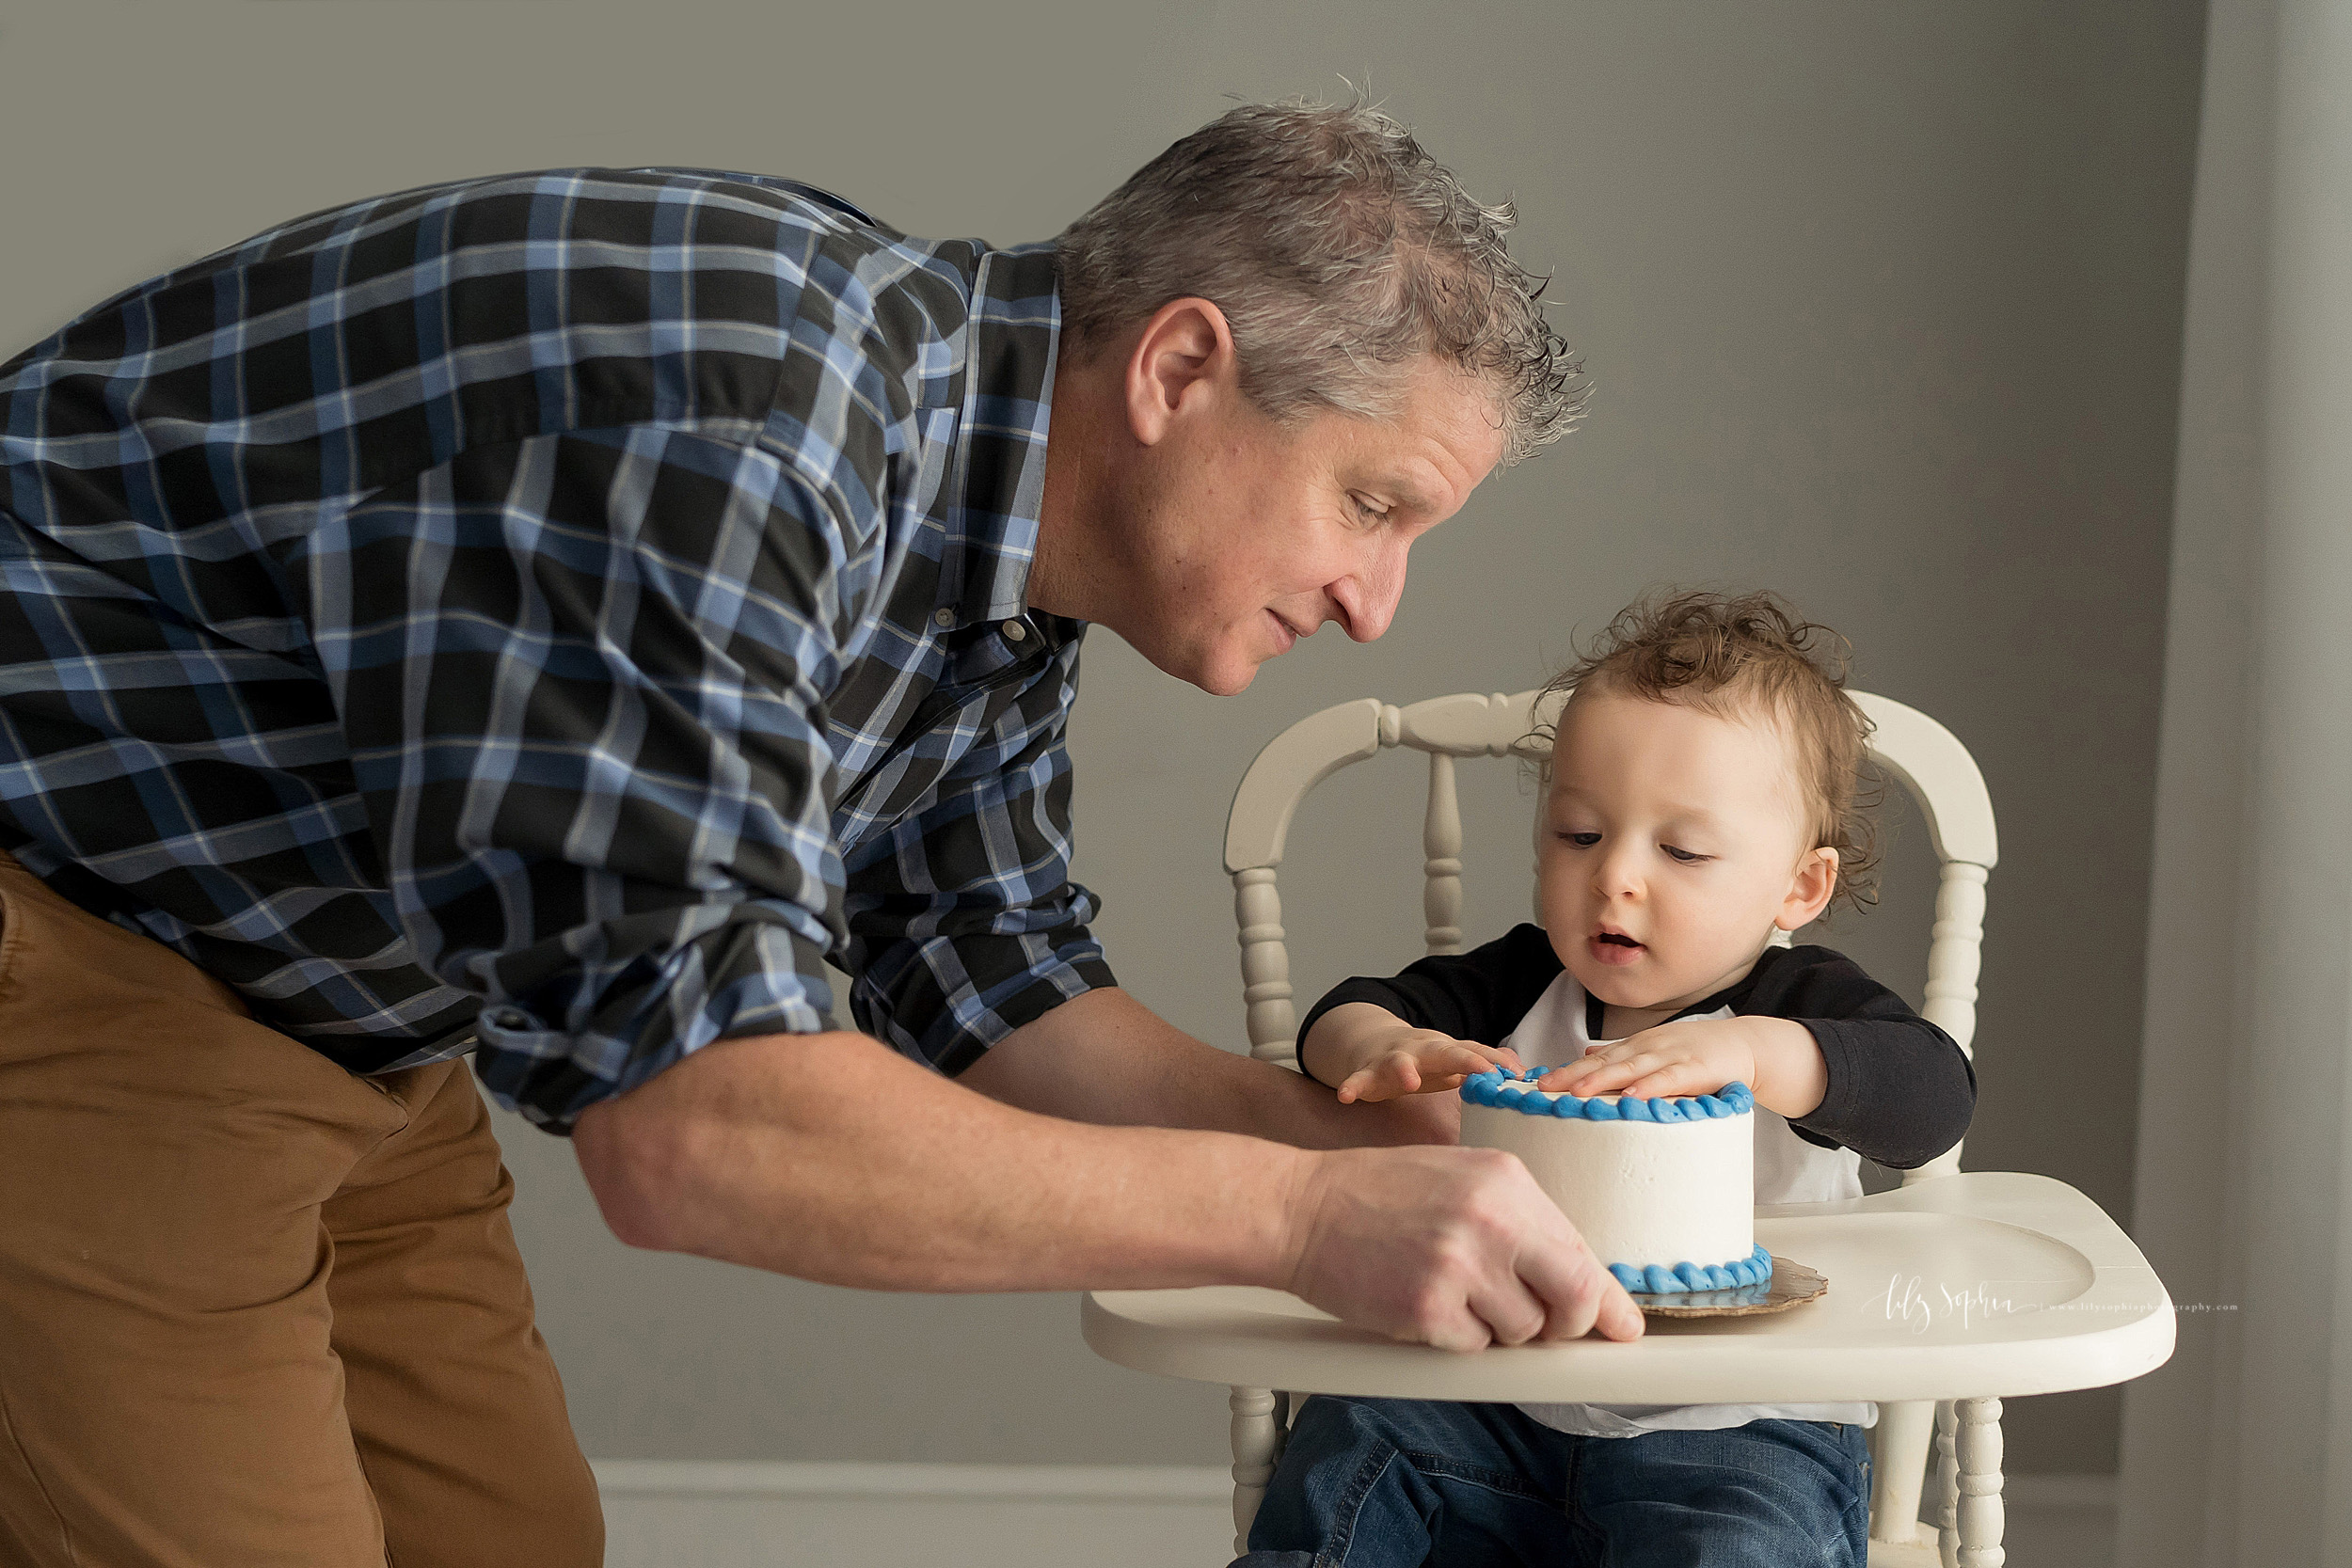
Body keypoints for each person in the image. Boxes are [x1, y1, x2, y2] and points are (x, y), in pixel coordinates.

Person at [0, 101, 1650, 1567]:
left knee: (510, 1539)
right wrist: (1297, 1225)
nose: (1379, 607)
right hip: (78, 949)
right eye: (1373, 504)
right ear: (1178, 370)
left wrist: (1373, 1151)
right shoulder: (736, 412)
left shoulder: (975, 501)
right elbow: (697, 1125)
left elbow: (985, 959)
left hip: (343, 1003)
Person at [1242, 590, 1978, 1567]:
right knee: (1354, 1437)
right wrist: (1378, 1045)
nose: (1615, 876)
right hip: (1492, 1400)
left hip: (1737, 1427)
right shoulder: (1517, 981)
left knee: (1742, 1543)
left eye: (1682, 849)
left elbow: (1932, 1097)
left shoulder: (1801, 1001)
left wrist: (1759, 1053)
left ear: (1797, 886)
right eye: (1580, 833)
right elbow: (1345, 1008)